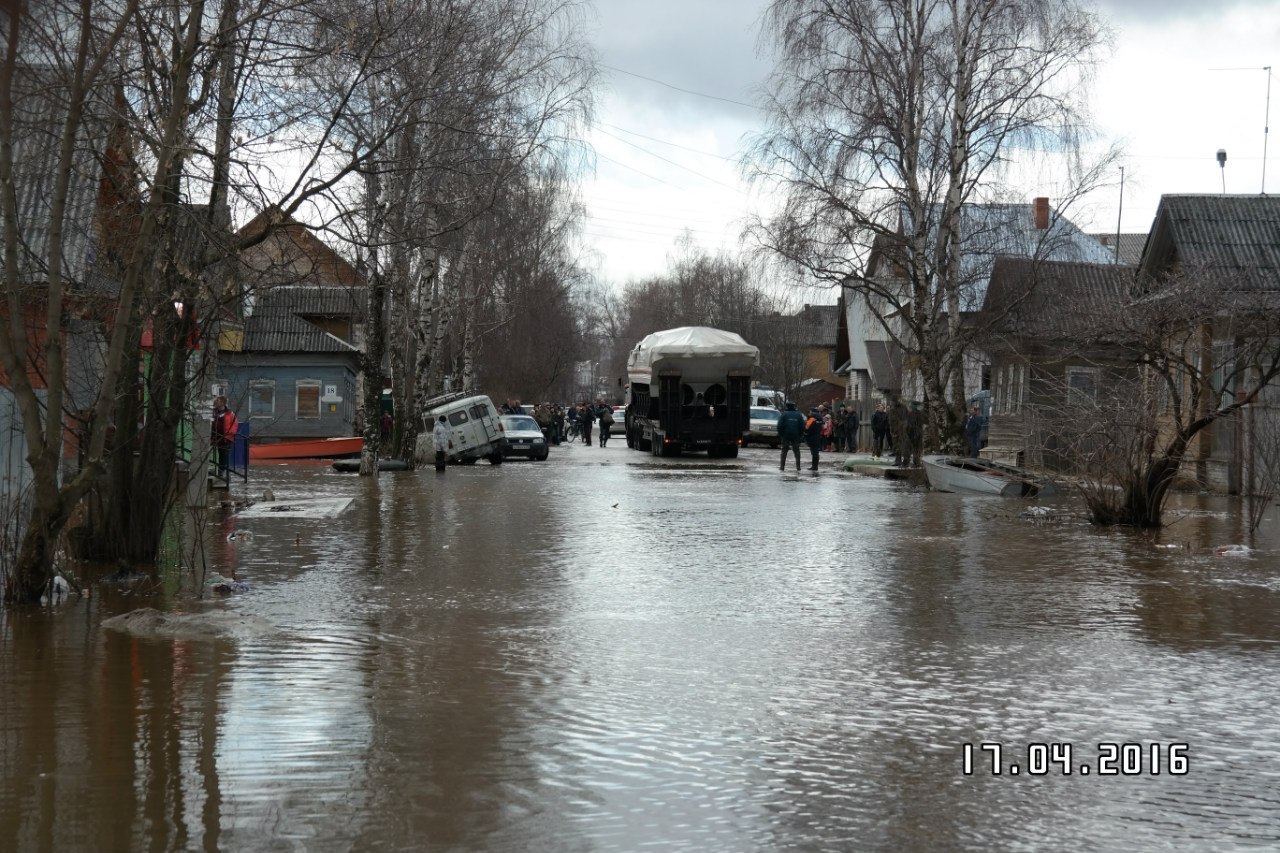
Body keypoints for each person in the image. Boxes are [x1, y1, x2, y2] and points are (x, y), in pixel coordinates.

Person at [211, 395, 237, 477]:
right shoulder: (213, 412)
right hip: (216, 436)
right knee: (219, 453)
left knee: (224, 454)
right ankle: (219, 470)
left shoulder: (229, 413)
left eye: (218, 400)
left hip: (226, 437)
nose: (216, 402)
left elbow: (235, 424)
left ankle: (221, 470)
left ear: (222, 403)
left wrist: (230, 433)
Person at [777, 401, 805, 471]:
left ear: (787, 406)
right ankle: (798, 467)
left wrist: (781, 434)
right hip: (796, 435)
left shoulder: (784, 414)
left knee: (784, 451)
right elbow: (802, 426)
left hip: (785, 435)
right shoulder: (799, 415)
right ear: (794, 407)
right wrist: (800, 435)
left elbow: (779, 425)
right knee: (796, 451)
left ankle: (782, 467)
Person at [905, 401, 924, 468]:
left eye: (909, 407)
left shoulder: (911, 414)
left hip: (913, 433)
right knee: (917, 448)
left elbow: (909, 425)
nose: (909, 408)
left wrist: (907, 433)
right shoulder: (920, 413)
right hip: (919, 433)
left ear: (912, 407)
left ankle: (915, 463)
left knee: (913, 448)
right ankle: (917, 463)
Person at [889, 398, 908, 466]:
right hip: (903, 428)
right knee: (902, 445)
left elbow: (892, 421)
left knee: (897, 445)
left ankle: (898, 460)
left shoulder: (893, 409)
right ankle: (905, 461)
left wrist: (892, 431)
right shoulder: (904, 407)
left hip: (898, 429)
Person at [804, 407, 824, 471]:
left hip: (812, 437)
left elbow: (807, 428)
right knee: (816, 452)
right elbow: (823, 427)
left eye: (810, 412)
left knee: (814, 452)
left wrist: (805, 434)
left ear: (812, 412)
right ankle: (815, 466)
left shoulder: (812, 419)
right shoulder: (820, 419)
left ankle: (814, 467)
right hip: (818, 436)